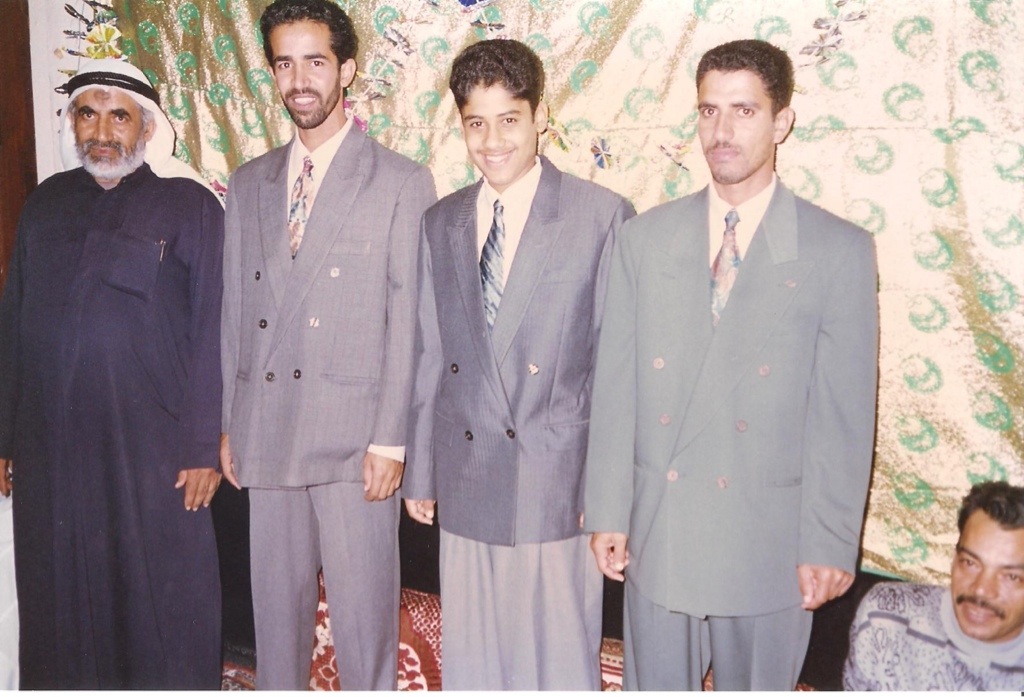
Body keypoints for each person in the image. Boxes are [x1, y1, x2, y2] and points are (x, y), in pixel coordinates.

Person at [584, 39, 879, 690]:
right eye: (708, 110)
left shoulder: (836, 250)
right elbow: (617, 386)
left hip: (768, 541)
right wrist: (607, 507)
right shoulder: (644, 239)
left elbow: (844, 416)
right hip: (662, 528)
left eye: (744, 111)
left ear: (782, 122)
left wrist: (829, 541)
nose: (721, 131)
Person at [404, 39, 635, 690]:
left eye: (509, 119)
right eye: (475, 122)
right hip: (467, 474)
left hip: (557, 484)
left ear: (540, 118)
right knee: (474, 666)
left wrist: (611, 500)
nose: (492, 141)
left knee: (556, 667)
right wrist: (421, 471)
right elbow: (429, 352)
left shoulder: (600, 216)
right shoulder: (441, 222)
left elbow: (618, 375)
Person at [218, 0, 436, 689]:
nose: (300, 79)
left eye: (316, 61)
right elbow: (234, 315)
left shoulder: (399, 180)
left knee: (364, 628)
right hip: (269, 429)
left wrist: (392, 440)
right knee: (275, 627)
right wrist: (231, 423)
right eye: (285, 63)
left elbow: (410, 320)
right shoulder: (249, 183)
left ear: (346, 69)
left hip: (355, 442)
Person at [0, 58, 224, 689]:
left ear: (146, 127)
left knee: (158, 596)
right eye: (87, 114)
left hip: (150, 447)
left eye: (118, 116)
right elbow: (14, 320)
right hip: (51, 446)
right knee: (59, 591)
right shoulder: (46, 202)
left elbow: (215, 329)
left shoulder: (189, 205)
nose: (101, 132)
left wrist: (202, 446)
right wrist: (5, 434)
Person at [844, 480, 1024, 690]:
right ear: (954, 558)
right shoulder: (885, 616)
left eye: (1011, 577)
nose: (981, 590)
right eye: (970, 563)